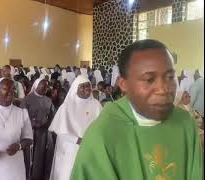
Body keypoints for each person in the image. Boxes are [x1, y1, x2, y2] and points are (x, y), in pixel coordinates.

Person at [71, 39, 203, 180]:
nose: (163, 89)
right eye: (149, 80)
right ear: (123, 84)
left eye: (170, 77)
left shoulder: (184, 122)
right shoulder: (102, 135)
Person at [48, 75, 102, 180]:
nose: (87, 88)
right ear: (75, 88)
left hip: (90, 147)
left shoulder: (96, 105)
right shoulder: (66, 107)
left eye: (88, 85)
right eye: (82, 86)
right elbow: (61, 132)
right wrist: (78, 140)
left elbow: (102, 126)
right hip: (70, 149)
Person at [21, 78, 55, 180]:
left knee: (44, 157)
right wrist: (33, 123)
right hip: (30, 132)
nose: (45, 87)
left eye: (47, 85)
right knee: (31, 157)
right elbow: (21, 116)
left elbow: (53, 116)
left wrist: (47, 124)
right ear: (36, 85)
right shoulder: (27, 99)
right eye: (42, 85)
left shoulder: (48, 100)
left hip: (45, 133)